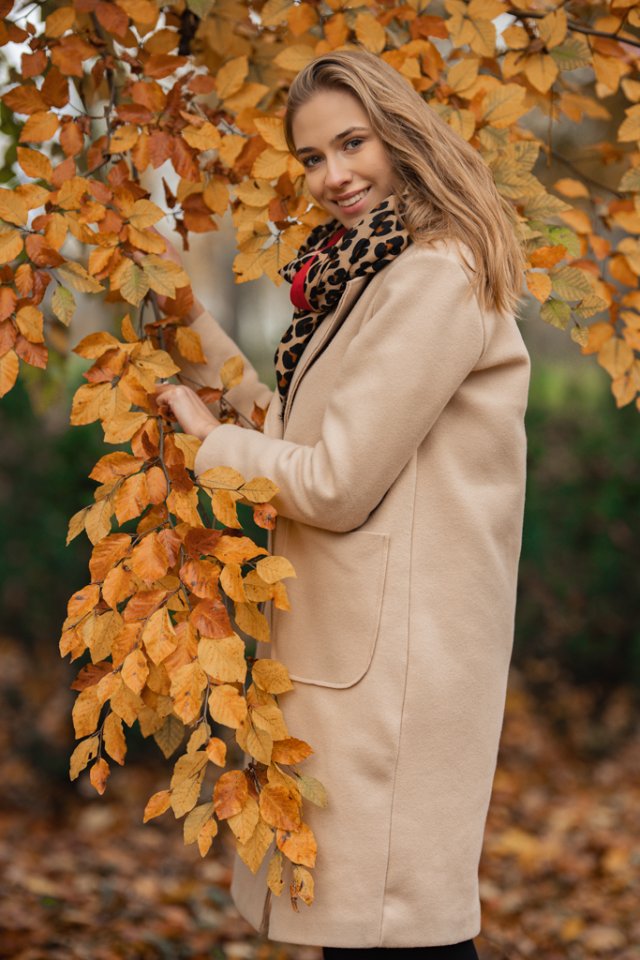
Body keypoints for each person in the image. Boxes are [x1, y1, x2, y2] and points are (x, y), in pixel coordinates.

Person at [154, 49, 530, 959]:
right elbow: (294, 435)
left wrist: (210, 448)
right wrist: (179, 313)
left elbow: (334, 481)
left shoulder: (434, 276)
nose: (333, 176)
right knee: (371, 936)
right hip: (359, 654)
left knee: (402, 934)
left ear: (400, 135)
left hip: (400, 669)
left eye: (351, 144)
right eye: (313, 157)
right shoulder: (364, 277)